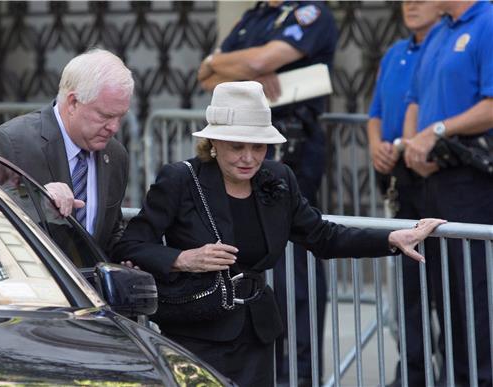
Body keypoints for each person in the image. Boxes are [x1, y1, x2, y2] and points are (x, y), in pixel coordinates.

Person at [113, 81, 445, 387]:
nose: (249, 157)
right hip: (194, 331)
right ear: (212, 142)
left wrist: (391, 239)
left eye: (259, 147)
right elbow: (131, 244)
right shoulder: (179, 180)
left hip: (257, 332)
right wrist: (184, 259)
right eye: (236, 146)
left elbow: (322, 236)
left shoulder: (277, 177)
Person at [197, 2, 338, 383]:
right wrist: (230, 65)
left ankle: (300, 372)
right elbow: (207, 77)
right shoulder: (255, 15)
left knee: (297, 263)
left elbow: (255, 63)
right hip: (252, 150)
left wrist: (227, 63)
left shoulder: (310, 13)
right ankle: (266, 363)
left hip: (291, 147)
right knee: (254, 256)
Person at [402, 1, 493, 386]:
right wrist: (411, 145)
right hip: (432, 178)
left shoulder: (487, 22)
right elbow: (416, 99)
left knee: (475, 291)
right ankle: (455, 377)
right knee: (443, 291)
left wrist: (436, 131)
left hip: (472, 178)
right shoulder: (440, 30)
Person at [0, 48, 133, 255]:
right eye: (105, 116)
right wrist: (37, 198)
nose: (114, 127)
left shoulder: (115, 155)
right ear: (73, 102)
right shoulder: (11, 143)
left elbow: (110, 232)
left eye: (120, 117)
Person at [366, 2, 441, 385]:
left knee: (447, 286)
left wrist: (409, 143)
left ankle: (454, 369)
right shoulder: (395, 52)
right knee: (408, 288)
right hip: (401, 179)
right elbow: (375, 112)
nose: (411, 5)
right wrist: (377, 144)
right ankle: (413, 372)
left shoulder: (444, 44)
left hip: (434, 176)